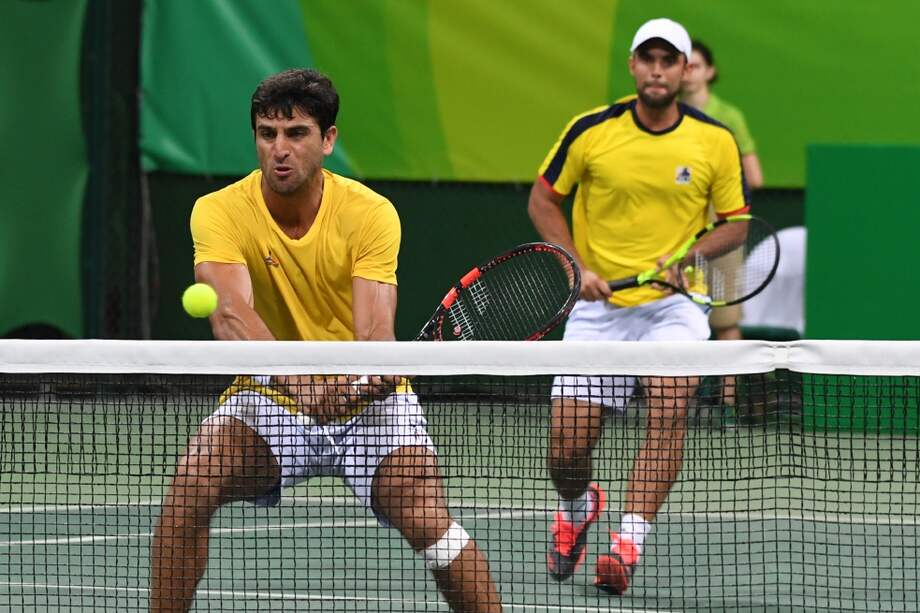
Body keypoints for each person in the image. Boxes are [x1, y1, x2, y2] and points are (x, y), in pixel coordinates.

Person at [150, 69, 500, 613]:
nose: (279, 150)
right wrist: (301, 384)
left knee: (430, 522)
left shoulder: (369, 213)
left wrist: (368, 376)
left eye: (296, 134)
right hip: (270, 392)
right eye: (267, 134)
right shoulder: (218, 210)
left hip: (364, 402)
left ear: (328, 139)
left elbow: (374, 331)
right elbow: (231, 314)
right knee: (191, 486)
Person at [527, 19, 750, 595]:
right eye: (647, 58)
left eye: (668, 60)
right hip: (599, 308)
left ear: (684, 69)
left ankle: (627, 545)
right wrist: (576, 267)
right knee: (566, 452)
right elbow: (544, 200)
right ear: (632, 65)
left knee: (669, 407)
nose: (657, 69)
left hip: (674, 306)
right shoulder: (591, 131)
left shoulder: (715, 139)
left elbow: (736, 222)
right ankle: (577, 509)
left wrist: (691, 258)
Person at [681, 39, 764, 405]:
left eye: (696, 65)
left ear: (710, 72)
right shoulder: (664, 115)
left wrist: (719, 192)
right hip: (679, 237)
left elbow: (755, 177)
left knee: (725, 321)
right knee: (676, 315)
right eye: (685, 65)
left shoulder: (728, 117)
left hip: (722, 234)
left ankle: (728, 404)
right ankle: (677, 400)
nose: (689, 73)